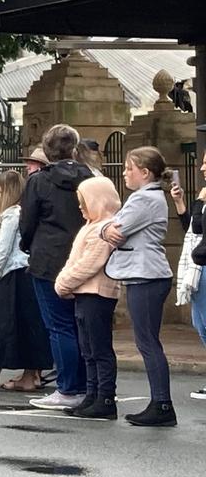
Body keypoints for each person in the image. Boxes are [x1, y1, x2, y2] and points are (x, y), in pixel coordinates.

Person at [99, 147, 177, 427]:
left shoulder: (142, 199)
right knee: (148, 341)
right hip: (146, 275)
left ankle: (162, 403)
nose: (124, 173)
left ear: (144, 173)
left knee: (147, 342)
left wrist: (104, 229)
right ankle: (160, 402)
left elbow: (116, 230)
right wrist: (105, 230)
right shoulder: (149, 197)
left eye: (128, 168)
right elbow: (111, 230)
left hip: (146, 276)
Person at [18, 124, 91, 409]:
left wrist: (28, 246)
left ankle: (67, 388)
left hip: (48, 258)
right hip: (83, 256)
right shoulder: (89, 177)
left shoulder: (39, 181)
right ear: (74, 148)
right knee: (80, 324)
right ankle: (86, 385)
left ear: (47, 151)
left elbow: (28, 221)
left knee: (59, 326)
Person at [0, 170, 51, 392]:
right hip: (30, 271)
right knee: (29, 325)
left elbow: (3, 250)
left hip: (13, 274)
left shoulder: (10, 215)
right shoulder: (29, 212)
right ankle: (31, 376)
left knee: (1, 324)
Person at [54, 177, 122, 419]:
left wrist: (62, 283)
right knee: (88, 349)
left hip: (97, 293)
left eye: (84, 202)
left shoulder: (106, 228)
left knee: (99, 348)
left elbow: (89, 263)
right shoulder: (92, 226)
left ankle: (105, 397)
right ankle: (92, 395)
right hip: (84, 293)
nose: (81, 208)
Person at [172, 154, 206, 401]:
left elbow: (197, 229)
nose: (202, 167)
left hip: (203, 266)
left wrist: (197, 203)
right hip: (200, 268)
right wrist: (182, 203)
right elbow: (193, 232)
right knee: (200, 324)